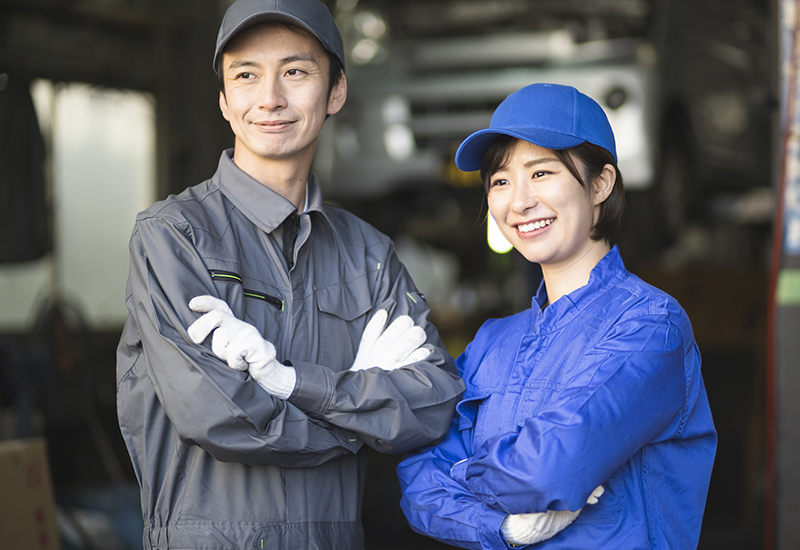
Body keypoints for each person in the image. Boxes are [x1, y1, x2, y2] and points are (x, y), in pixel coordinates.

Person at [115, 1, 464, 548]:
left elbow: (436, 399)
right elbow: (219, 415)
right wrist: (357, 418)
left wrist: (293, 384)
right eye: (246, 75)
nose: (270, 98)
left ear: (336, 92)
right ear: (226, 102)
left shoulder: (368, 255)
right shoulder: (172, 236)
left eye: (295, 71)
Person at [397, 83, 717, 549]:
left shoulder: (649, 327)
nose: (518, 201)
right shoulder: (491, 341)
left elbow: (548, 470)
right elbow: (416, 483)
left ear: (600, 184)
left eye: (541, 172)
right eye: (500, 181)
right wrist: (500, 528)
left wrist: (462, 470)